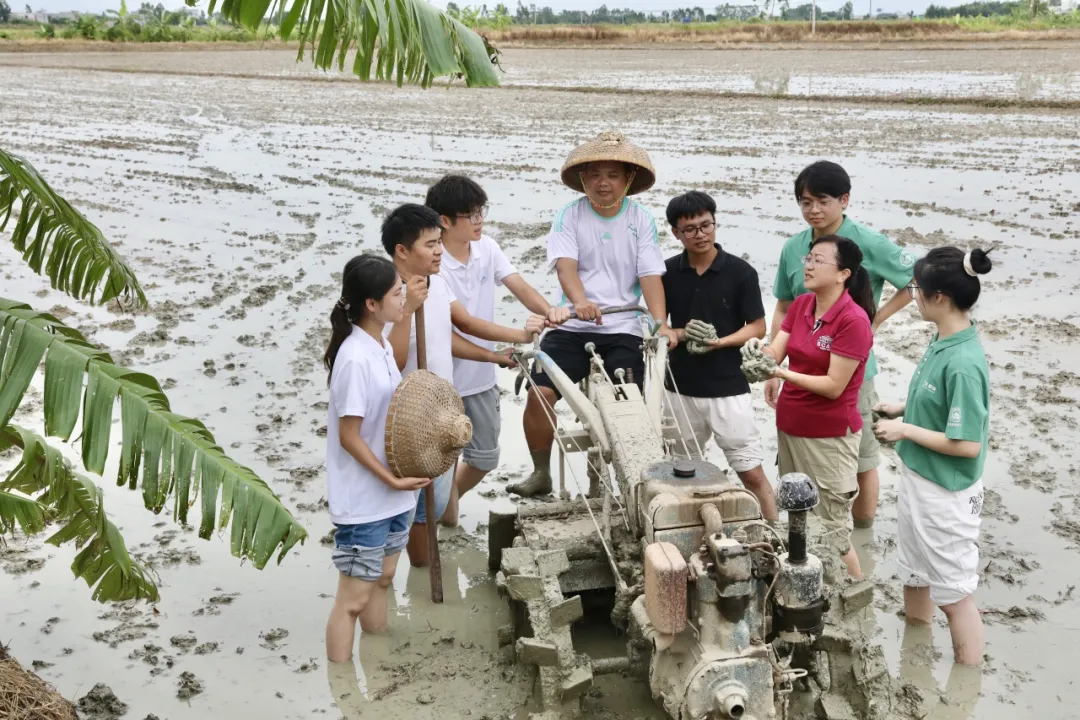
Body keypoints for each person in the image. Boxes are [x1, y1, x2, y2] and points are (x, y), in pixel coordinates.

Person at [513, 130, 676, 498]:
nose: (603, 183)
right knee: (539, 392)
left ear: (628, 179)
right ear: (583, 179)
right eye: (595, 175)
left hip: (623, 325)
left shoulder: (640, 220)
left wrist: (660, 323)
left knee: (628, 404)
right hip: (572, 324)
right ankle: (540, 472)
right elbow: (566, 267)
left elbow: (650, 276)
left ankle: (628, 483)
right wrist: (580, 302)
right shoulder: (569, 217)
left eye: (612, 175)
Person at [381, 203, 544, 567]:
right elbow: (390, 362)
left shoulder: (438, 285)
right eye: (430, 245)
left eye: (440, 242)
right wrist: (407, 310)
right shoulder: (385, 293)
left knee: (434, 505)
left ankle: (423, 570)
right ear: (402, 251)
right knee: (409, 512)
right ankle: (411, 578)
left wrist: (494, 355)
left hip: (441, 412)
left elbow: (449, 334)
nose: (440, 251)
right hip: (407, 420)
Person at [767, 161, 917, 529]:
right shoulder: (795, 248)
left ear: (844, 200)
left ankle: (861, 534)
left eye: (822, 201)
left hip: (850, 373)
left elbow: (916, 281)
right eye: (805, 202)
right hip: (802, 372)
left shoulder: (867, 242)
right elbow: (785, 305)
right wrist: (771, 364)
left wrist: (876, 318)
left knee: (861, 459)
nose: (813, 210)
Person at [424, 175, 571, 526]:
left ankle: (445, 505)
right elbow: (465, 325)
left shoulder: (487, 248)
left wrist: (549, 311)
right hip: (440, 383)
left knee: (485, 457)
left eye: (481, 212)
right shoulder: (434, 264)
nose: (479, 221)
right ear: (444, 221)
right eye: (470, 215)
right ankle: (444, 523)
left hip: (480, 378)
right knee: (441, 463)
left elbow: (518, 285)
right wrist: (520, 336)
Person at [873, 247, 992, 666]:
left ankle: (966, 683)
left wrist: (905, 430)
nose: (913, 296)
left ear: (939, 297)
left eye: (916, 289)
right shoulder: (943, 336)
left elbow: (967, 444)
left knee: (955, 594)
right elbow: (939, 405)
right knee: (914, 573)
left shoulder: (963, 362)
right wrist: (902, 409)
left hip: (946, 492)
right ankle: (915, 657)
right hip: (919, 477)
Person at [323, 254, 431, 663]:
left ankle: (378, 659)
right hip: (366, 498)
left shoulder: (381, 343)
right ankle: (344, 689)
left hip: (395, 491)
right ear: (371, 304)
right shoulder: (353, 358)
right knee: (351, 599)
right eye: (396, 293)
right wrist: (390, 479)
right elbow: (349, 436)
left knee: (383, 579)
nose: (403, 298)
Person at [760, 235, 875, 579]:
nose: (807, 265)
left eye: (818, 260)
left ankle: (855, 599)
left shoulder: (853, 320)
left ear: (843, 274)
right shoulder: (801, 305)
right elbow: (776, 351)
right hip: (791, 427)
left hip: (829, 438)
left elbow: (833, 386)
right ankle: (809, 593)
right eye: (808, 258)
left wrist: (780, 372)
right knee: (798, 517)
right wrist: (758, 356)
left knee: (833, 530)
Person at [660, 191, 778, 521]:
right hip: (678, 388)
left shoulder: (741, 272)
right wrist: (676, 333)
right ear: (676, 233)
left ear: (715, 223)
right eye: (690, 229)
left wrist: (721, 342)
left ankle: (773, 531)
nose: (700, 234)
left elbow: (757, 326)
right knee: (679, 472)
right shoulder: (666, 272)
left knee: (751, 472)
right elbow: (657, 321)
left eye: (706, 225)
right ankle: (684, 530)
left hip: (728, 388)